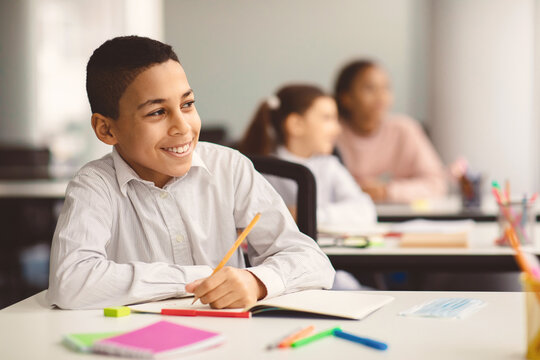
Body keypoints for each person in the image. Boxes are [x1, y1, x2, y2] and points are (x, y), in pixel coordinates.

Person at [46, 36, 335, 310]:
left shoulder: (229, 168)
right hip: (141, 340)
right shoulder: (94, 185)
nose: (183, 127)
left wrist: (257, 282)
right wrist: (201, 278)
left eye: (187, 104)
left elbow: (313, 262)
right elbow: (70, 281)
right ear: (106, 129)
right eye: (157, 112)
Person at [238, 84, 376, 227]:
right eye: (327, 118)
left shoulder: (328, 165)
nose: (337, 129)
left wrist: (307, 214)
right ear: (296, 124)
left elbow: (365, 211)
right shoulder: (261, 170)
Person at [334, 60, 447, 203]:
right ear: (346, 98)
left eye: (386, 88)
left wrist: (387, 191)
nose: (380, 96)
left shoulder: (405, 129)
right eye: (369, 88)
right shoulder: (332, 133)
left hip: (396, 215)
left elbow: (437, 184)